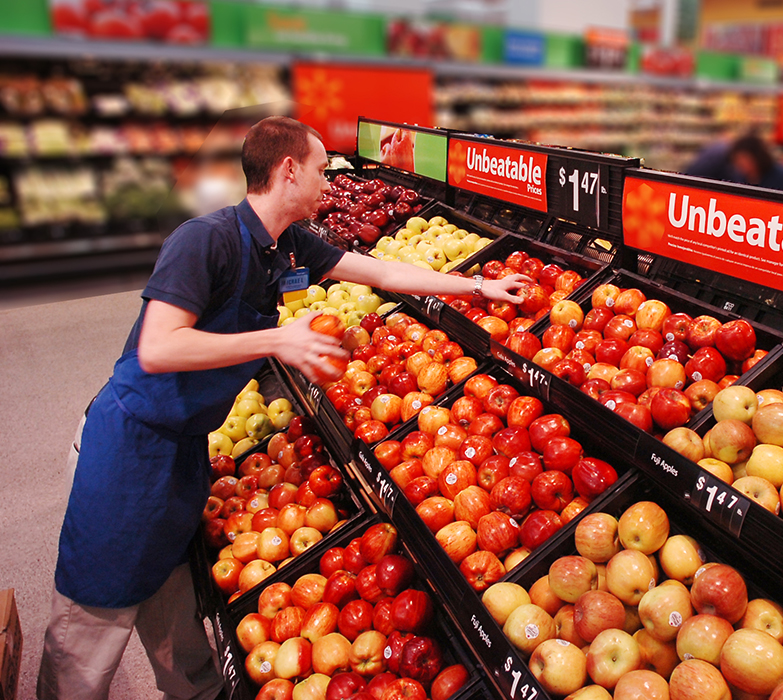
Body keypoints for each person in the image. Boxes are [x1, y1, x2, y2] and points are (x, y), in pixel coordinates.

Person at [37, 116, 527, 700]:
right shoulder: (205, 240)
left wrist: (477, 288)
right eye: (321, 169)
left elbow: (378, 270)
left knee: (173, 603)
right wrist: (276, 339)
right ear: (288, 170)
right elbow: (160, 345)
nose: (328, 181)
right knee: (91, 626)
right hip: (130, 449)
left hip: (185, 447)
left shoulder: (285, 243)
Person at [684, 133, 783, 193]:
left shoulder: (782, 176)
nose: (741, 165)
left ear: (757, 157)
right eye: (738, 162)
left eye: (744, 160)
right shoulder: (738, 176)